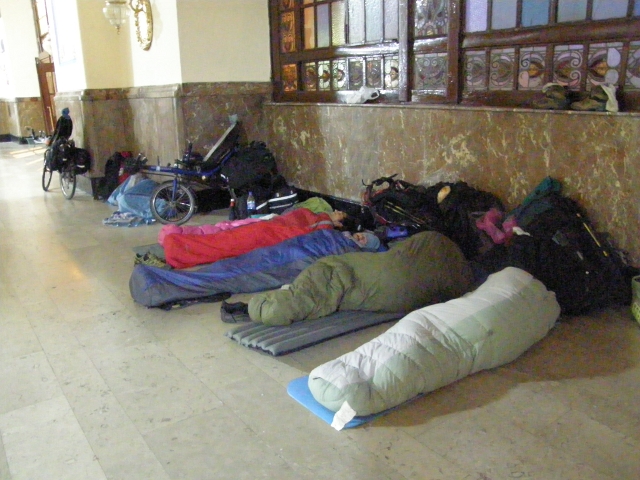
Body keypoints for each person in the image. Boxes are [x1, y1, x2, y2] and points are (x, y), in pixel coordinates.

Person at [221, 230, 475, 325]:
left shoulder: (326, 267)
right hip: (446, 266)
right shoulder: (340, 264)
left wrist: (252, 308)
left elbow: (291, 304)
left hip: (411, 274)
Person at [163, 207, 351, 269]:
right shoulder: (317, 217)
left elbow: (297, 234)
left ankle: (179, 249)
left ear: (339, 224)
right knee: (222, 239)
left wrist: (327, 220)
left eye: (340, 214)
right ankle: (179, 247)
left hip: (264, 234)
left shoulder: (322, 226)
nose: (336, 212)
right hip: (264, 229)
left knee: (222, 245)